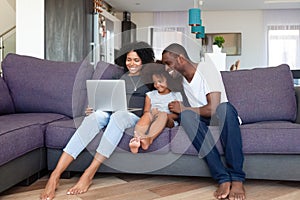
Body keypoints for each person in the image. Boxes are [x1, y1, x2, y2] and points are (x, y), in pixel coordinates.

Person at [40, 41, 155, 200]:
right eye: (129, 59)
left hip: (130, 116)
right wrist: (94, 107)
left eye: (136, 60)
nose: (132, 64)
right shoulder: (119, 76)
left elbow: (157, 101)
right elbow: (106, 97)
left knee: (118, 116)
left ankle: (89, 172)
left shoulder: (150, 80)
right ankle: (55, 175)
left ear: (144, 60)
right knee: (95, 117)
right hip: (111, 110)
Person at [161, 43, 246, 200]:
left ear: (180, 58)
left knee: (224, 108)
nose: (166, 68)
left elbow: (213, 108)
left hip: (222, 116)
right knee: (185, 117)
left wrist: (185, 108)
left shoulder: (206, 69)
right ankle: (223, 177)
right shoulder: (180, 80)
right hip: (202, 118)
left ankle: (237, 178)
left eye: (168, 63)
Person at [129, 63, 183, 153]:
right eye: (154, 82)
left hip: (168, 120)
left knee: (162, 115)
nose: (157, 85)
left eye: (160, 81)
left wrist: (166, 115)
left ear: (168, 80)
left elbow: (177, 115)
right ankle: (137, 139)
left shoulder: (176, 95)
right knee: (147, 115)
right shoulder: (150, 95)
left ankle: (149, 139)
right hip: (152, 117)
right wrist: (152, 114)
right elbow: (146, 112)